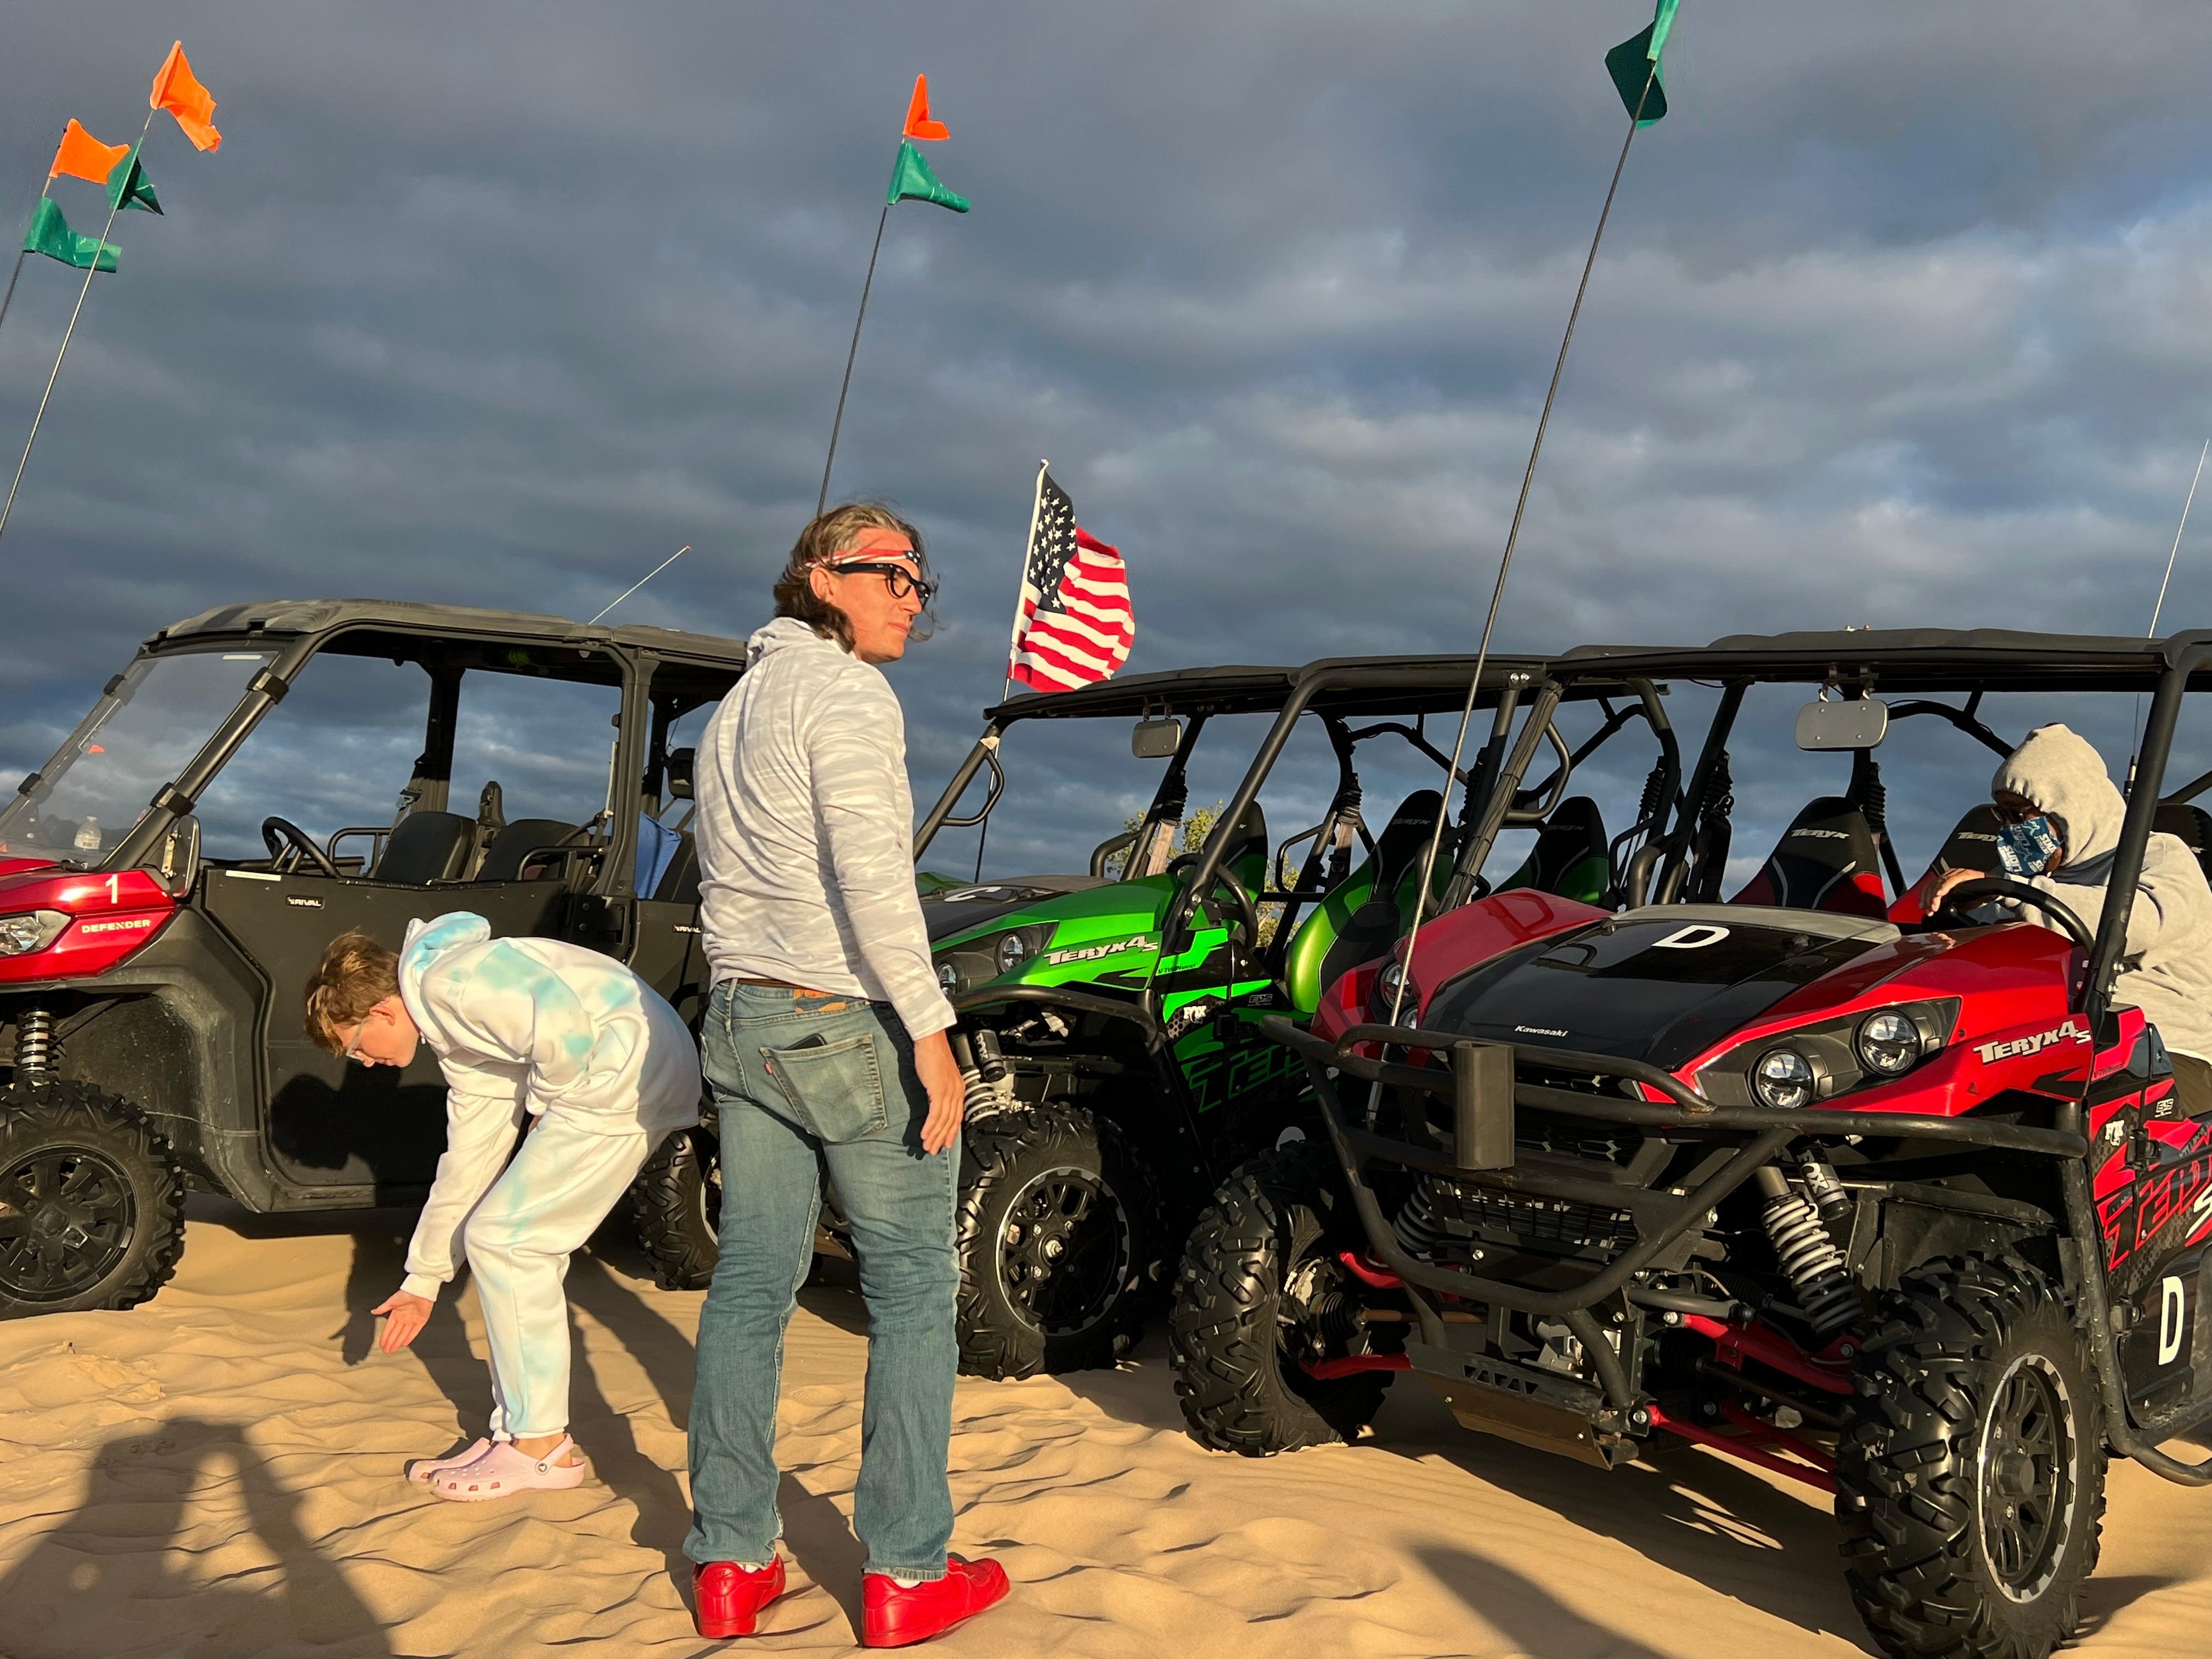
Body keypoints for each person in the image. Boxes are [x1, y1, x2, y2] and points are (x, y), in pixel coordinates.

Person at [683, 503, 1008, 1647]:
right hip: (839, 1018)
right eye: (892, 577)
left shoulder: (732, 711)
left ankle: (730, 1558)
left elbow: (724, 879)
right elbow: (875, 874)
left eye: (923, 583)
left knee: (752, 1285)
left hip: (740, 1018)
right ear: (821, 579)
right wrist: (928, 1028)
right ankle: (909, 1571)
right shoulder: (848, 695)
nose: (914, 600)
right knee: (916, 1292)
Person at [304, 913, 701, 1499]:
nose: (364, 1063)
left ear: (382, 1012)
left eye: (355, 1046)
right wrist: (425, 1277)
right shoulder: (454, 1034)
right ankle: (516, 1434)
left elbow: (562, 1021)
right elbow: (469, 1163)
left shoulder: (452, 982)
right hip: (609, 1079)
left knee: (510, 1242)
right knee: (502, 1236)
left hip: (627, 1076)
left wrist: (543, 1104)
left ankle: (540, 1449)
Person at [1926, 723, 2212, 1113]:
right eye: (2003, 816)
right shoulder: (2028, 882)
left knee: (2052, 1109)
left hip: (2165, 1054)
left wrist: (2008, 889)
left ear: (2069, 806)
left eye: (2020, 815)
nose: (2011, 830)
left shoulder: (2158, 858)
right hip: (2049, 1044)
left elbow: (2132, 925)